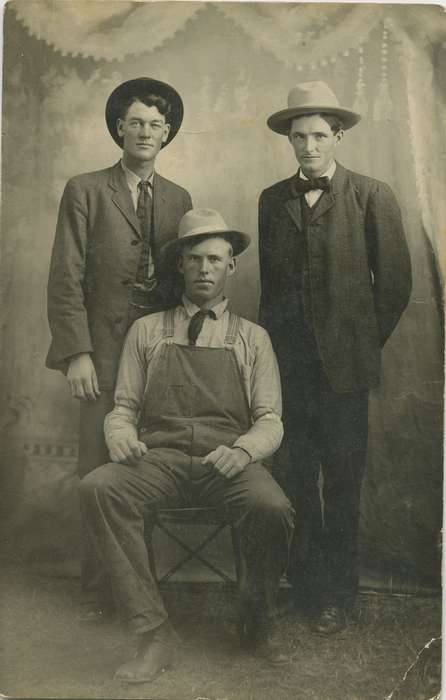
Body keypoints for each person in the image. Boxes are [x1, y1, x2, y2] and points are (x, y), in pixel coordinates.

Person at [80, 208, 294, 683]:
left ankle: (257, 621)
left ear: (231, 266)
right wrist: (121, 438)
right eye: (195, 259)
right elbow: (123, 406)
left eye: (214, 260)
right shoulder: (148, 331)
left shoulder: (253, 339)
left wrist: (241, 452)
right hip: (161, 461)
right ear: (179, 264)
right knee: (99, 488)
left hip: (229, 464)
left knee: (272, 507)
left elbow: (270, 420)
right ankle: (154, 632)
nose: (204, 269)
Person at [258, 81, 412, 634]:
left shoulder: (372, 195)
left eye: (319, 135)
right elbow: (271, 292)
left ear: (338, 136)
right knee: (295, 481)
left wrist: (354, 346)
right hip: (289, 372)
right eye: (299, 136)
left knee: (343, 485)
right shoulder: (272, 200)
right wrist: (272, 364)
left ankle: (337, 598)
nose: (308, 146)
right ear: (290, 141)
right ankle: (304, 589)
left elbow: (394, 287)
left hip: (345, 375)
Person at [46, 77, 192, 622]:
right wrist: (76, 353)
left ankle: (141, 589)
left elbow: (181, 283)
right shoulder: (86, 189)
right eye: (136, 123)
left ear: (168, 132)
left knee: (145, 461)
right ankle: (100, 592)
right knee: (97, 466)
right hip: (101, 352)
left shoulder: (179, 198)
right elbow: (65, 276)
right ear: (118, 129)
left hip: (158, 353)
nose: (146, 132)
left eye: (156, 124)